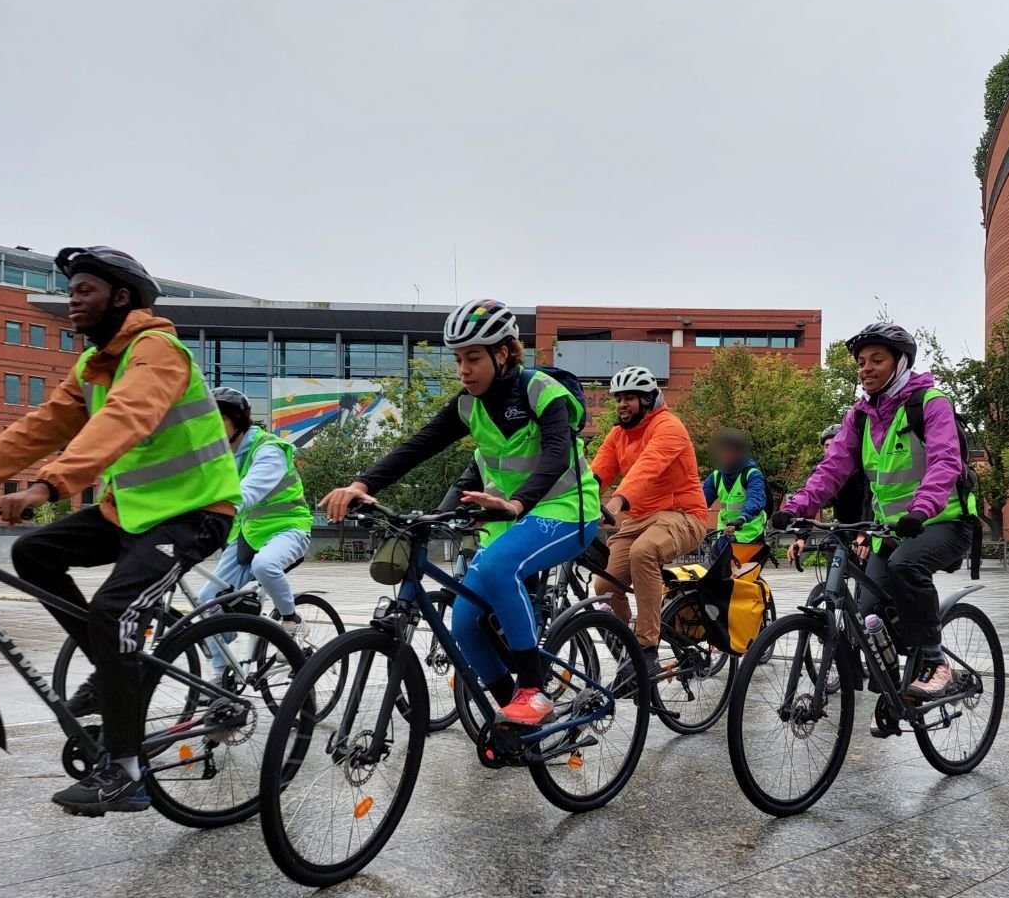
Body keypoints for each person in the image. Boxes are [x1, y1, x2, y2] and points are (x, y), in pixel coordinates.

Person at [0, 247, 240, 815]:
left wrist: (44, 488)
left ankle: (125, 772)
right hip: (127, 512)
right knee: (34, 553)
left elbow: (125, 418)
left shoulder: (158, 351)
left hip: (195, 513)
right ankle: (109, 671)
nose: (72, 300)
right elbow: (37, 429)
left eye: (84, 290)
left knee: (113, 610)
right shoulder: (93, 365)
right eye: (71, 290)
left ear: (120, 298)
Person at [318, 299, 599, 728]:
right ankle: (517, 716)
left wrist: (519, 501)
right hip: (504, 518)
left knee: (501, 566)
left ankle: (532, 690)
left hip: (564, 511)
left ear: (502, 352)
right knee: (466, 625)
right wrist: (361, 484)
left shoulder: (541, 389)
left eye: (472, 358)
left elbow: (558, 451)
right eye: (458, 359)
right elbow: (418, 445)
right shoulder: (467, 405)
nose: (463, 369)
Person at [777, 321, 972, 714]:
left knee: (906, 566)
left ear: (900, 363)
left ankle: (935, 661)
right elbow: (831, 469)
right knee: (864, 615)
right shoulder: (860, 416)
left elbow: (945, 461)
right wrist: (796, 507)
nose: (865, 368)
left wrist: (922, 508)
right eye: (861, 362)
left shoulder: (929, 403)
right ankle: (896, 694)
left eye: (876, 360)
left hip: (943, 522)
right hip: (889, 531)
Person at [590, 365, 709, 670]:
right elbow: (595, 475)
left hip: (683, 515)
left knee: (644, 553)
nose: (622, 404)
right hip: (638, 520)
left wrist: (617, 500)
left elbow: (649, 467)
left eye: (630, 397)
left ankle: (646, 648)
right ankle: (625, 647)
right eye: (619, 398)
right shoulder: (618, 435)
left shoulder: (669, 427)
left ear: (648, 399)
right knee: (603, 586)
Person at [207, 387, 314, 645]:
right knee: (208, 602)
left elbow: (248, 491)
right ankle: (223, 675)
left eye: (218, 420)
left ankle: (292, 619)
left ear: (238, 422)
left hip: (288, 528)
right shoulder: (218, 454)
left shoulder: (268, 449)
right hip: (248, 533)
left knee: (265, 565)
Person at [786, 424, 872, 567]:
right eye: (826, 446)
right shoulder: (822, 472)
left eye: (835, 444)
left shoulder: (862, 469)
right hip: (842, 526)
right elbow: (811, 501)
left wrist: (864, 534)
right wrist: (801, 537)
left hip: (866, 523)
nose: (830, 449)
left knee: (865, 575)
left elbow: (869, 502)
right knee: (831, 554)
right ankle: (834, 589)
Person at [702, 428, 768, 565]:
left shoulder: (751, 474)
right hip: (725, 534)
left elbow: (756, 499)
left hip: (750, 536)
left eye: (730, 450)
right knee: (715, 575)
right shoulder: (716, 476)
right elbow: (700, 503)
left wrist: (742, 518)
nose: (726, 455)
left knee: (742, 579)